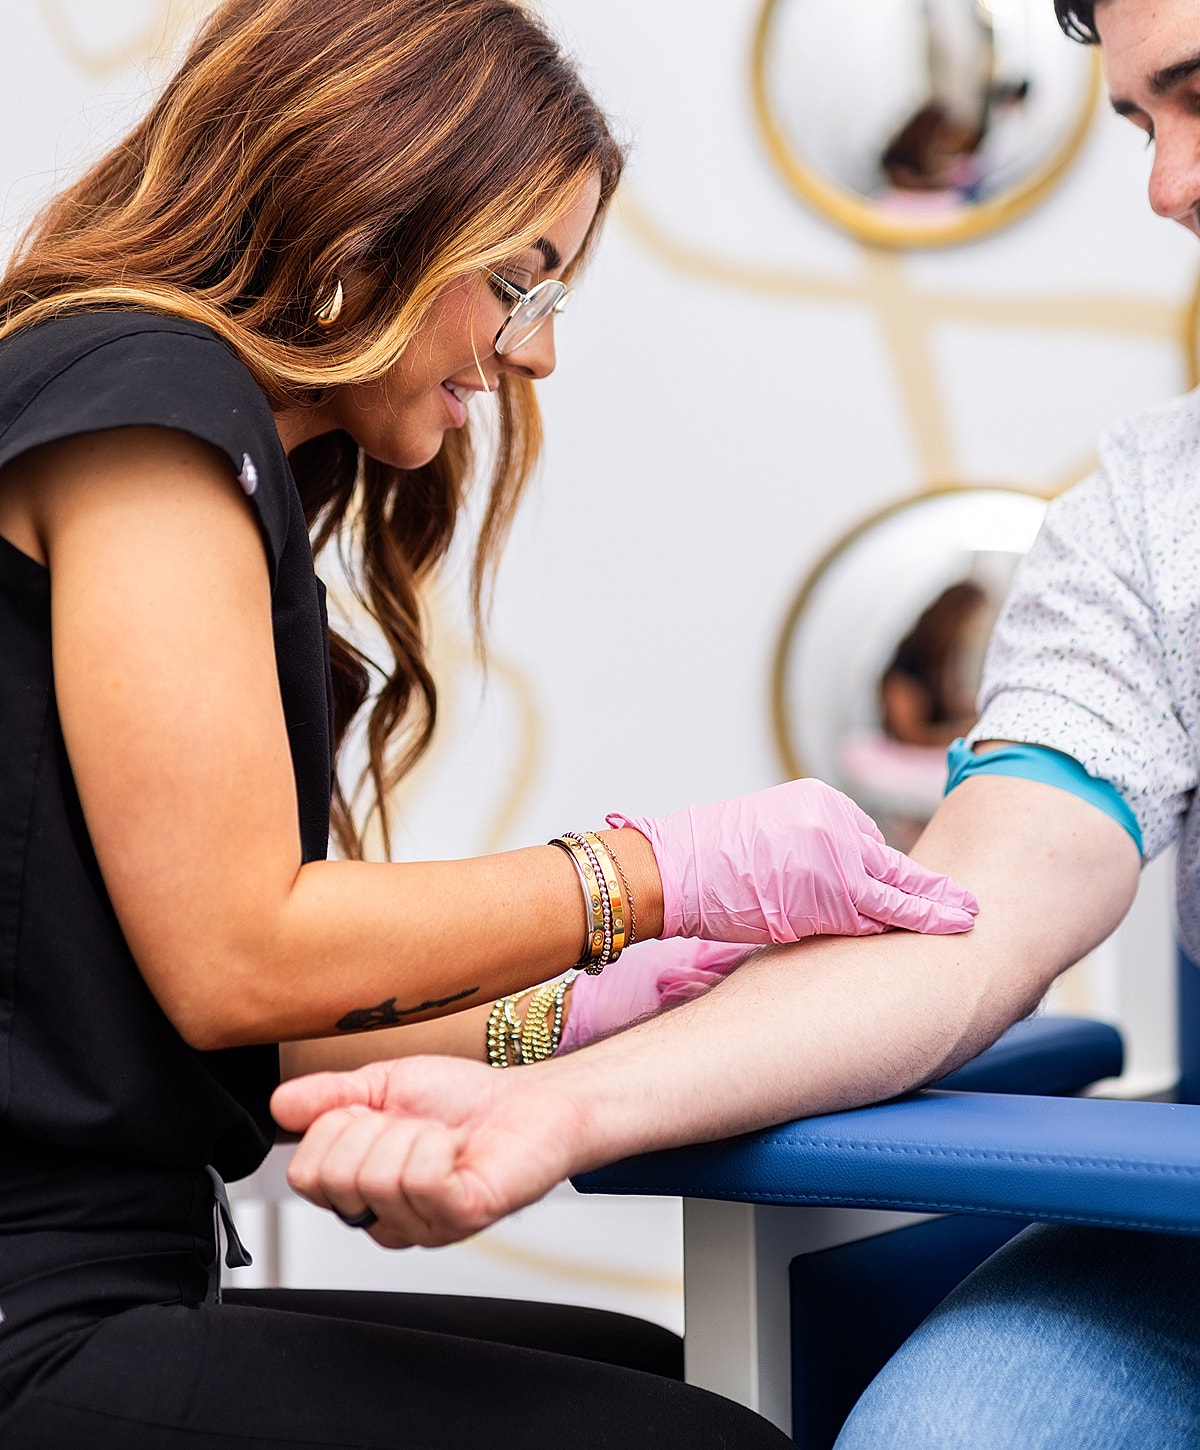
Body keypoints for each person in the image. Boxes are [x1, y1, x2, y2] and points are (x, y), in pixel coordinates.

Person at [0, 0, 987, 1444]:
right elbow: (236, 956)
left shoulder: (157, 408)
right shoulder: (147, 414)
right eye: (520, 283)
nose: (531, 356)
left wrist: (581, 1002)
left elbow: (205, 1030)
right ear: (366, 211)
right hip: (41, 1313)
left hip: (98, 1275)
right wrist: (647, 874)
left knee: (647, 1368)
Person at [275, 1, 1200, 1443]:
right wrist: (567, 1101)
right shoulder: (1148, 519)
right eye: (1144, 121)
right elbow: (969, 920)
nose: (1163, 184)